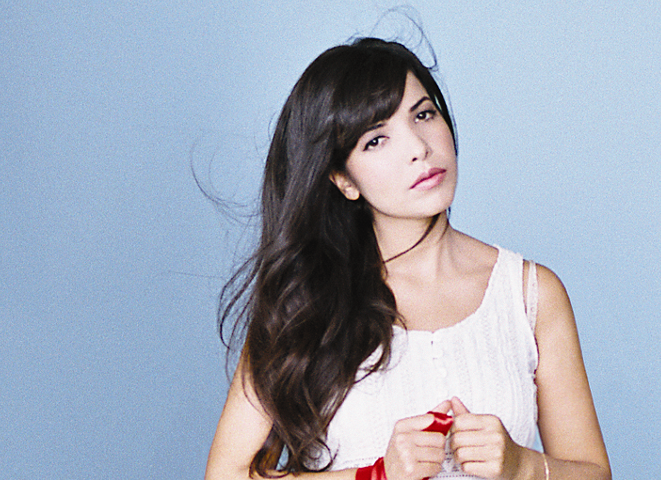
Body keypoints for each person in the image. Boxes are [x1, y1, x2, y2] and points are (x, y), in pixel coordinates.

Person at [206, 37, 610, 480]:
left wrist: (524, 466)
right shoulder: (305, 302)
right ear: (343, 179)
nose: (419, 146)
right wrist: (376, 475)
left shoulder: (530, 294)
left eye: (423, 114)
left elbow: (594, 472)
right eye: (376, 139)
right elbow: (225, 475)